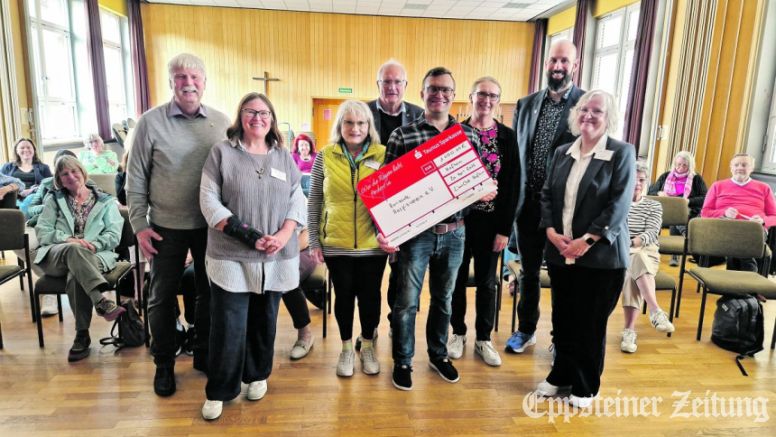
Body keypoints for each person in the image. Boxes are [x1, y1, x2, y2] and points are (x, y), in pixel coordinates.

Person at [382, 66, 496, 391]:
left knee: (444, 299)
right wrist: (388, 230)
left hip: (455, 232)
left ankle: (438, 354)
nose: (439, 95)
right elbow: (387, 193)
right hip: (416, 236)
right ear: (422, 94)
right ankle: (403, 361)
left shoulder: (468, 136)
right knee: (406, 302)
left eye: (446, 90)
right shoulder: (402, 136)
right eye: (433, 89)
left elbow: (477, 184)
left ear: (453, 95)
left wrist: (484, 190)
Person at [127, 53, 230, 397]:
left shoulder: (220, 121)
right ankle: (164, 363)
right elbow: (136, 178)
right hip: (164, 227)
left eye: (194, 77)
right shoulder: (149, 123)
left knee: (209, 293)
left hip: (210, 226)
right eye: (180, 77)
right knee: (160, 296)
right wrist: (139, 224)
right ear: (171, 82)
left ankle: (202, 352)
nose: (188, 83)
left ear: (204, 82)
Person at [199, 92, 305, 420]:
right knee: (228, 325)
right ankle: (220, 389)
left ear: (272, 120)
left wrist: (285, 234)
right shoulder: (221, 153)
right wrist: (248, 235)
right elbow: (208, 200)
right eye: (250, 112)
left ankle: (257, 375)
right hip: (231, 253)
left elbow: (296, 199)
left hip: (275, 255)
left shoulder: (283, 157)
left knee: (264, 320)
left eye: (264, 113)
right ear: (240, 116)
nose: (257, 118)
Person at [535, 89, 635, 408]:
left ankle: (586, 385)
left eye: (597, 111)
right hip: (561, 251)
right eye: (584, 109)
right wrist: (550, 231)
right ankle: (560, 375)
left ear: (609, 118)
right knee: (563, 318)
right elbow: (548, 195)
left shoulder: (621, 153)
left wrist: (587, 241)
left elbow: (618, 204)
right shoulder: (564, 151)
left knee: (590, 323)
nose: (588, 116)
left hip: (602, 257)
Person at [507, 39, 586, 354]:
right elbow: (516, 155)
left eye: (564, 62)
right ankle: (526, 329)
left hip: (563, 210)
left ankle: (559, 339)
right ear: (546, 64)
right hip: (527, 207)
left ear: (575, 65)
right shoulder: (525, 104)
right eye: (554, 60)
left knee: (563, 276)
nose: (558, 67)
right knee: (527, 272)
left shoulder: (585, 104)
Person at [308, 100, 388, 377]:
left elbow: (394, 199)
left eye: (361, 123)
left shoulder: (384, 154)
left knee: (369, 298)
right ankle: (344, 349)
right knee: (343, 298)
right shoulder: (325, 155)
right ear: (340, 125)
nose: (355, 128)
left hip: (373, 246)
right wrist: (315, 241)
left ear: (369, 127)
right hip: (336, 245)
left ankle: (367, 346)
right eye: (349, 122)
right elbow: (314, 200)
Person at [448, 77, 517, 367]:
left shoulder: (507, 136)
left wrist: (505, 229)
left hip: (491, 223)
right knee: (457, 280)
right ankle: (458, 333)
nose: (486, 100)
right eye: (481, 94)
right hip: (459, 222)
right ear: (471, 96)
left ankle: (484, 339)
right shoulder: (455, 132)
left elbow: (513, 184)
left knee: (488, 283)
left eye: (492, 95)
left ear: (498, 100)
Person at [33, 156, 126, 362]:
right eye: (64, 174)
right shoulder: (54, 200)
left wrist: (93, 245)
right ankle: (100, 302)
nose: (71, 176)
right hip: (57, 254)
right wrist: (67, 239)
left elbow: (114, 234)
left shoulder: (105, 201)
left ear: (83, 172)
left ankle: (81, 335)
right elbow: (43, 231)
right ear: (59, 179)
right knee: (73, 250)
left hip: (96, 254)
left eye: (74, 171)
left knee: (76, 274)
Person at [368, 59, 424, 336]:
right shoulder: (363, 113)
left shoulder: (419, 114)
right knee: (372, 272)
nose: (392, 87)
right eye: (386, 81)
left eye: (397, 81)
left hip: (408, 206)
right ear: (378, 84)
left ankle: (394, 321)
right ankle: (370, 327)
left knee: (401, 272)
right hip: (372, 205)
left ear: (405, 85)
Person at [620, 161, 675, 354]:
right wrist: (627, 244)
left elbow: (653, 232)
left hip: (648, 251)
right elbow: (615, 229)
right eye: (633, 179)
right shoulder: (619, 202)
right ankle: (655, 311)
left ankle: (630, 331)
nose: (637, 183)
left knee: (635, 264)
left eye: (642, 180)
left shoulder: (654, 205)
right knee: (632, 267)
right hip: (623, 251)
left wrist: (634, 242)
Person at [20, 149, 79, 316]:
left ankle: (50, 294)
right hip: (39, 224)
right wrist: (48, 206)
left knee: (56, 246)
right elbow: (30, 209)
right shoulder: (46, 183)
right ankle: (53, 279)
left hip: (65, 228)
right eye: (61, 166)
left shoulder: (83, 183)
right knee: (21, 242)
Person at [701, 153, 776, 272]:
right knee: (739, 243)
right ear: (731, 168)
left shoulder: (764, 188)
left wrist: (763, 220)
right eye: (736, 165)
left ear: (751, 168)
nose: (740, 167)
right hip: (725, 226)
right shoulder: (717, 186)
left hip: (754, 228)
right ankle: (749, 283)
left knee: (742, 240)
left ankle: (737, 285)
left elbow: (774, 216)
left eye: (744, 165)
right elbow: (705, 213)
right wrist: (724, 213)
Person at [648, 150, 708, 266]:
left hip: (687, 210)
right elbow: (651, 191)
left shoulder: (696, 179)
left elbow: (705, 198)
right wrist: (660, 193)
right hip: (664, 210)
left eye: (684, 165)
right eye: (678, 164)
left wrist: (688, 200)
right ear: (674, 164)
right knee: (672, 216)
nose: (680, 167)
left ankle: (675, 254)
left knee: (677, 217)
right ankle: (688, 237)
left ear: (690, 166)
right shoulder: (666, 176)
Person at [1, 138, 52, 212]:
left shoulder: (44, 167)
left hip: (35, 197)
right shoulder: (7, 167)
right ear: (17, 151)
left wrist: (32, 190)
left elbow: (50, 185)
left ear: (34, 150)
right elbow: (1, 184)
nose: (26, 150)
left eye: (28, 147)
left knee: (30, 199)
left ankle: (21, 220)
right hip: (14, 197)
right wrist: (19, 191)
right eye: (22, 148)